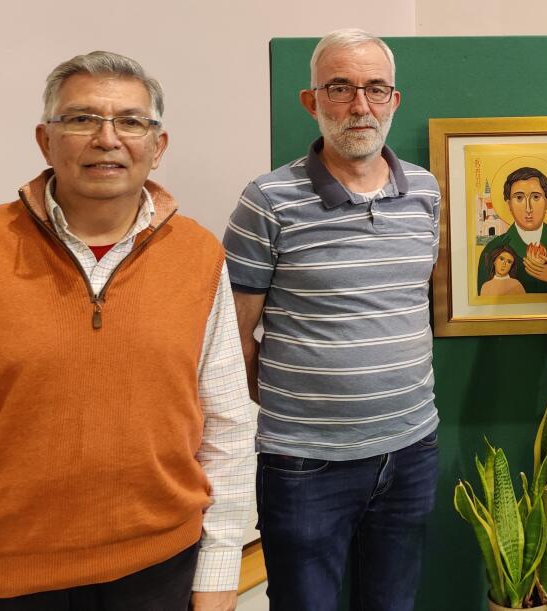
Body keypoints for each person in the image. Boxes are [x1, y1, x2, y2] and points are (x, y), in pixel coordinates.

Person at [0, 51, 254, 611]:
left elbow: (226, 425)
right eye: (81, 119)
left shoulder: (199, 255)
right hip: (6, 575)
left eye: (131, 121)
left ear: (158, 147)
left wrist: (219, 575)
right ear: (45, 140)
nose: (108, 138)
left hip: (161, 569)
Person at [222, 28, 441, 611]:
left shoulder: (425, 191)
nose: (360, 106)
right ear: (311, 100)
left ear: (396, 100)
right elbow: (233, 337)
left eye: (375, 89)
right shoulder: (267, 201)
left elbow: (409, 302)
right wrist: (303, 411)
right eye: (340, 88)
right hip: (305, 465)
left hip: (412, 451)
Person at [476, 166, 547, 293]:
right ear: (509, 204)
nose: (528, 208)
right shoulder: (492, 249)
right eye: (519, 198)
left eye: (536, 197)